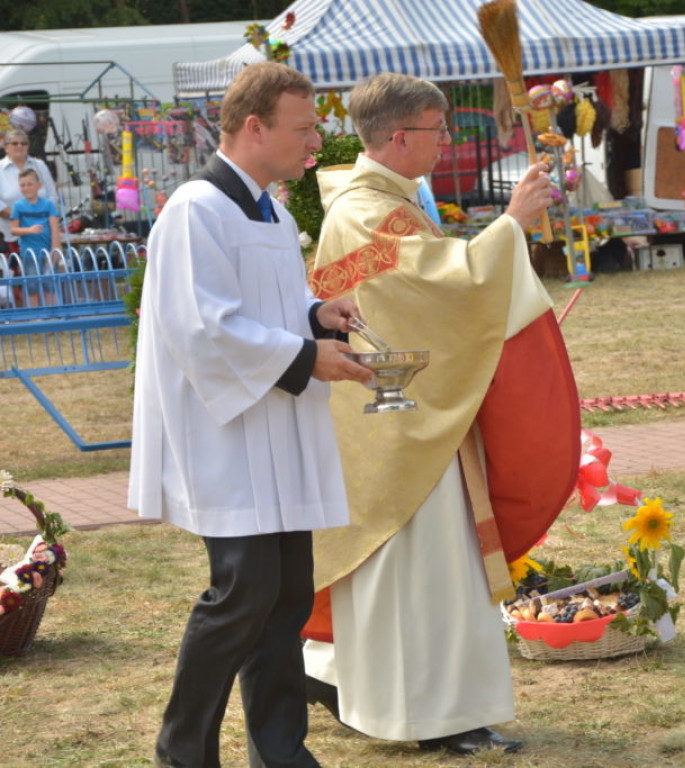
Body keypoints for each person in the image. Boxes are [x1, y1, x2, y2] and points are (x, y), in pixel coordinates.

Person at [302, 72, 580, 757]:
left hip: (409, 417)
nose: (448, 140)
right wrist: (511, 225)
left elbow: (430, 279)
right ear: (399, 136)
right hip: (399, 424)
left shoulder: (380, 201)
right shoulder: (364, 210)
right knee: (427, 574)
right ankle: (437, 715)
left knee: (419, 573)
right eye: (439, 129)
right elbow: (433, 287)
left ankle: (373, 690)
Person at [127, 61, 373, 768]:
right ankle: (183, 750)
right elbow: (203, 326)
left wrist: (313, 314)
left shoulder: (263, 207)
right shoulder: (197, 210)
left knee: (287, 592)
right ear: (255, 126)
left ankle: (281, 751)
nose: (313, 144)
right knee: (243, 592)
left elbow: (261, 305)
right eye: (302, 130)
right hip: (227, 433)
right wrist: (305, 358)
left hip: (274, 426)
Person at [0, 128, 58, 253]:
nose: (19, 146)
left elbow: (52, 195)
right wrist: (26, 218)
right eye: (15, 143)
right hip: (9, 237)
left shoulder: (40, 166)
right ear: (6, 147)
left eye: (23, 143)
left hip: (42, 235)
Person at [10, 168, 60, 307]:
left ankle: (53, 314)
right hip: (29, 254)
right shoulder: (18, 206)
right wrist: (28, 230)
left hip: (48, 252)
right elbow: (13, 230)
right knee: (31, 286)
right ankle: (34, 316)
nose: (26, 188)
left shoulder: (48, 205)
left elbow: (55, 228)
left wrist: (55, 249)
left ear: (39, 185)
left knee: (50, 284)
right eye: (22, 185)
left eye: (29, 184)